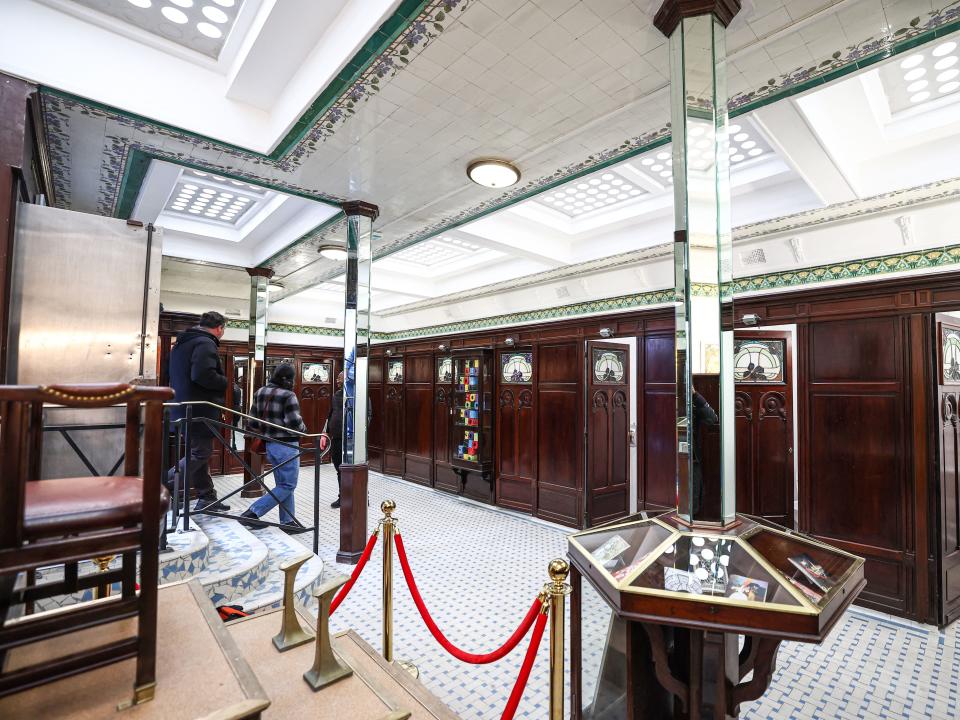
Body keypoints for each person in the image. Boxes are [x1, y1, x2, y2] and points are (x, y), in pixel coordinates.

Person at [167, 311, 230, 512]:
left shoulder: (183, 343)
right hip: (198, 408)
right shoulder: (205, 343)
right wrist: (225, 382)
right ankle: (160, 486)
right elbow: (203, 375)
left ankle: (207, 496)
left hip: (182, 407)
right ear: (219, 328)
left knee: (198, 453)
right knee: (200, 452)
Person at [239, 363, 307, 532]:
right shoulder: (288, 395)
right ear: (287, 379)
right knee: (288, 485)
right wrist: (305, 430)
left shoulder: (260, 392)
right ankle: (252, 513)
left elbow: (253, 421)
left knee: (283, 484)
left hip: (270, 445)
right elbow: (295, 424)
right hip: (287, 445)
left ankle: (288, 522)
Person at [321, 371, 371, 509]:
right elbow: (330, 414)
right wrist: (325, 432)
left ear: (348, 380)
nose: (337, 380)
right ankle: (343, 496)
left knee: (356, 469)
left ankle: (361, 496)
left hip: (353, 440)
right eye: (337, 377)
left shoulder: (360, 395)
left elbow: (367, 415)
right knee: (340, 468)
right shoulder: (336, 395)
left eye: (339, 378)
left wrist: (359, 431)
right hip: (337, 438)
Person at [690, 388, 719, 516]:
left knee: (694, 502)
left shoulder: (693, 403)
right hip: (665, 463)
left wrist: (695, 395)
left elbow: (712, 418)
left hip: (692, 460)